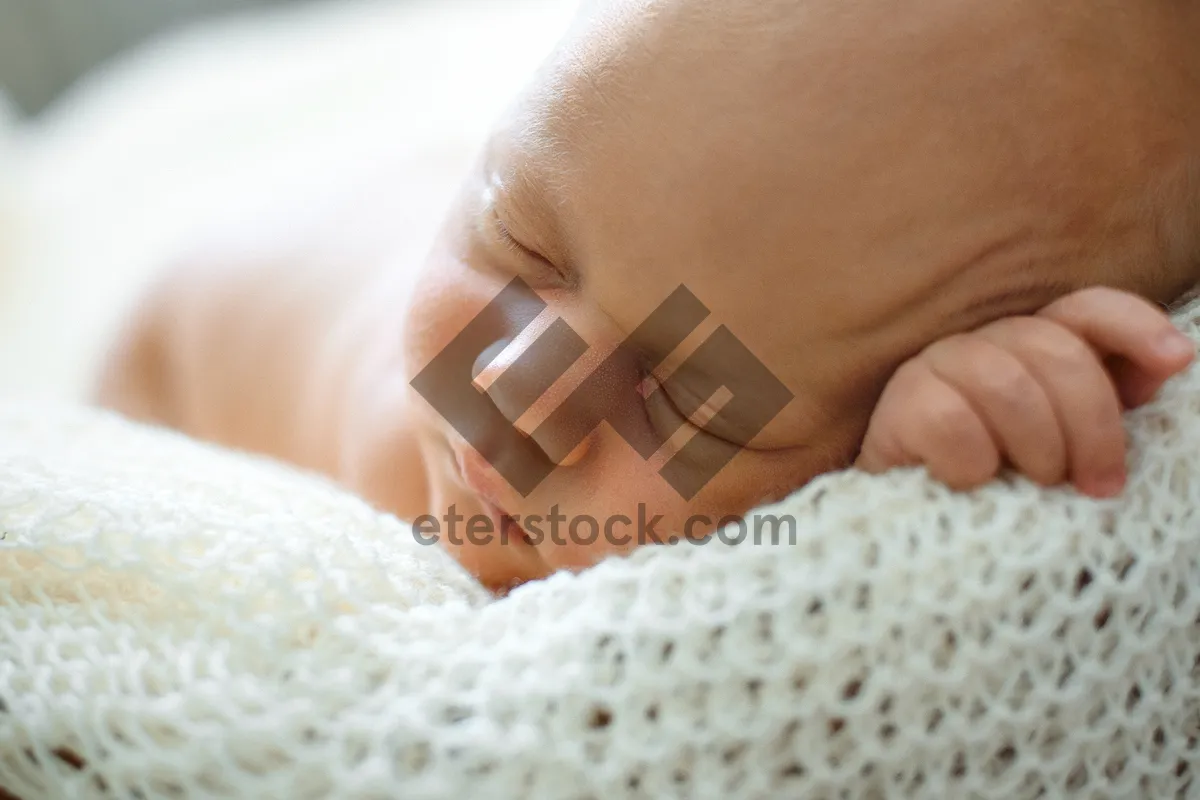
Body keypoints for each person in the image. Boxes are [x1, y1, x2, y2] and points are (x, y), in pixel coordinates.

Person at [96, 0, 1200, 591]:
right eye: (518, 244)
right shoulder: (412, 467)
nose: (514, 395)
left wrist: (921, 469)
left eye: (683, 398)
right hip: (173, 338)